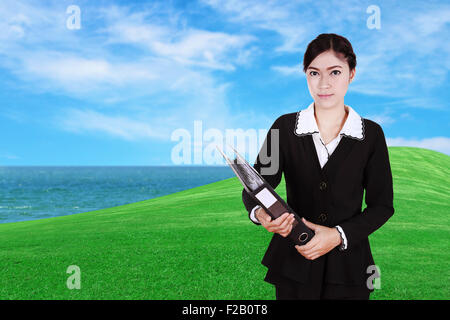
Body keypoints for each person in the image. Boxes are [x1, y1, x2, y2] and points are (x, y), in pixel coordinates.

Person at [242, 33, 394, 300]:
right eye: (314, 73)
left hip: (349, 268)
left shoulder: (371, 134)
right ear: (306, 75)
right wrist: (260, 214)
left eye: (335, 72)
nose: (323, 83)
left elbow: (382, 205)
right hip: (293, 261)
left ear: (352, 74)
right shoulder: (284, 127)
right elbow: (255, 185)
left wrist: (337, 236)